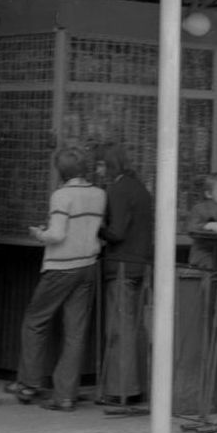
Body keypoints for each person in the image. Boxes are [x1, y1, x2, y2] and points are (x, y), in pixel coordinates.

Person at [4, 146, 106, 412]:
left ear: (60, 171)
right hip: (88, 266)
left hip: (61, 267)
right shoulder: (99, 194)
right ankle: (65, 396)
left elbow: (58, 234)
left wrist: (39, 234)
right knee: (75, 332)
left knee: (35, 321)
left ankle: (28, 384)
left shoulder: (61, 195)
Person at [94, 143, 153, 408]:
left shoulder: (117, 189)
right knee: (135, 327)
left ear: (109, 165)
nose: (98, 170)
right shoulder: (140, 188)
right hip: (141, 264)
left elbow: (116, 232)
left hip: (120, 265)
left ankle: (121, 390)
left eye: (100, 165)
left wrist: (97, 228)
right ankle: (137, 386)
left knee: (119, 330)